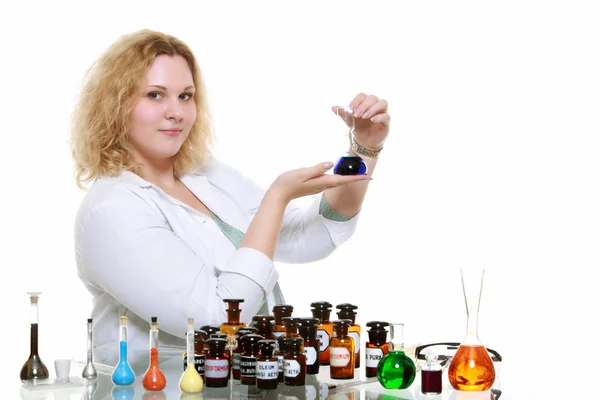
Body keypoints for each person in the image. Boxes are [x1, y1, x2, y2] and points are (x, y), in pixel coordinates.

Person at [71, 29, 390, 370]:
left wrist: (365, 147)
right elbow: (214, 317)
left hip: (250, 382)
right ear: (116, 106)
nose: (176, 112)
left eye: (185, 96)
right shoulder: (112, 210)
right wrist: (278, 196)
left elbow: (309, 238)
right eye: (155, 95)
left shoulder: (203, 173)